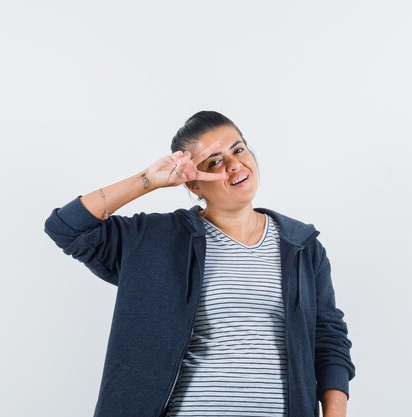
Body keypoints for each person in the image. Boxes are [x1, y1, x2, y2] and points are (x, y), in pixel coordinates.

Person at [44, 111, 355, 417]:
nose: (235, 165)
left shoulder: (301, 246)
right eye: (215, 161)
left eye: (238, 149)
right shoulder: (155, 240)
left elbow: (328, 338)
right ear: (193, 184)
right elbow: (67, 227)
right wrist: (148, 180)